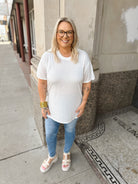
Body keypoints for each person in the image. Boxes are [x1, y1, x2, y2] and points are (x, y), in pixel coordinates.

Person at [37, 17, 95, 173]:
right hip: (51, 108)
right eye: (61, 32)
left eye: (69, 32)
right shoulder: (47, 57)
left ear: (74, 35)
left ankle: (66, 153)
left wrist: (83, 103)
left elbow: (87, 83)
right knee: (50, 134)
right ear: (56, 34)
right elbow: (41, 84)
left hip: (74, 108)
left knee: (70, 132)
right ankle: (52, 156)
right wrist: (43, 104)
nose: (65, 36)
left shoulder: (82, 57)